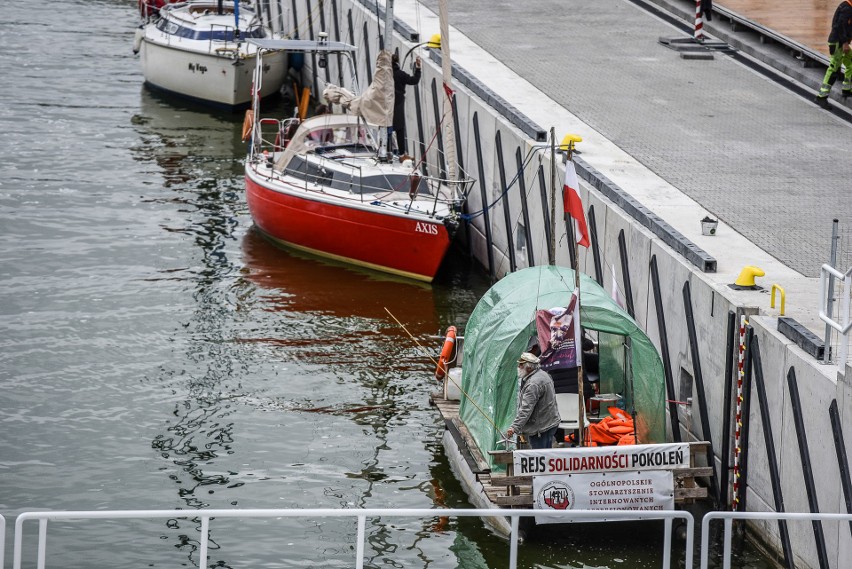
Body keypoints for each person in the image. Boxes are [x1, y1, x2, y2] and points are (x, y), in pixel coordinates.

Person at [505, 352, 561, 449]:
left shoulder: (533, 384)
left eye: (521, 365)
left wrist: (514, 427)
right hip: (549, 422)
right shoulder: (543, 374)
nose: (518, 367)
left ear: (529, 368)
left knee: (540, 457)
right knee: (546, 454)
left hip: (541, 428)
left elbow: (526, 409)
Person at [815, 0, 852, 108]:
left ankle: (847, 89)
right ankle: (821, 97)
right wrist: (845, 42)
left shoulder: (847, 6)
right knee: (834, 68)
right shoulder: (847, 8)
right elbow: (840, 26)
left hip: (841, 42)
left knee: (850, 60)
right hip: (837, 42)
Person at [389, 53, 421, 155]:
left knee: (386, 129)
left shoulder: (385, 75)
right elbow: (414, 80)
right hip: (398, 103)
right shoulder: (400, 74)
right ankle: (402, 153)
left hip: (386, 104)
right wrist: (418, 68)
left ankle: (387, 152)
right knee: (400, 129)